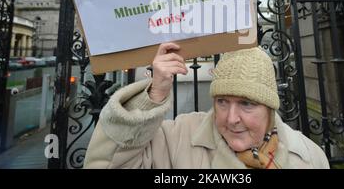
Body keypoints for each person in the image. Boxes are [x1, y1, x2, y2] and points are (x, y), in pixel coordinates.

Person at [83, 42, 330, 169]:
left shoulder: (310, 158)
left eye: (246, 103)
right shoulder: (177, 139)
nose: (231, 118)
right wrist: (155, 93)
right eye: (222, 102)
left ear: (269, 108)